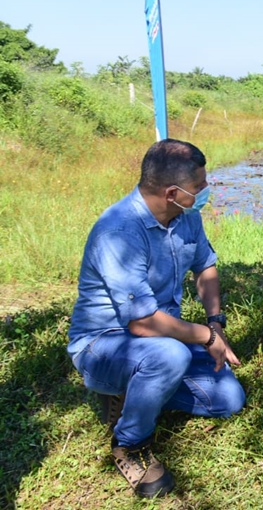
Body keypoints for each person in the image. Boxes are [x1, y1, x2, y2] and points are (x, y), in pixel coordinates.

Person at [68, 139, 245, 497]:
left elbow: (205, 267)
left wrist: (215, 321)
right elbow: (142, 323)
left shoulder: (187, 217)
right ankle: (130, 443)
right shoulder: (119, 232)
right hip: (105, 342)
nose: (206, 191)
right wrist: (206, 338)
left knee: (227, 399)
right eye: (200, 187)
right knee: (170, 355)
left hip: (163, 336)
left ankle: (133, 391)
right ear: (172, 192)